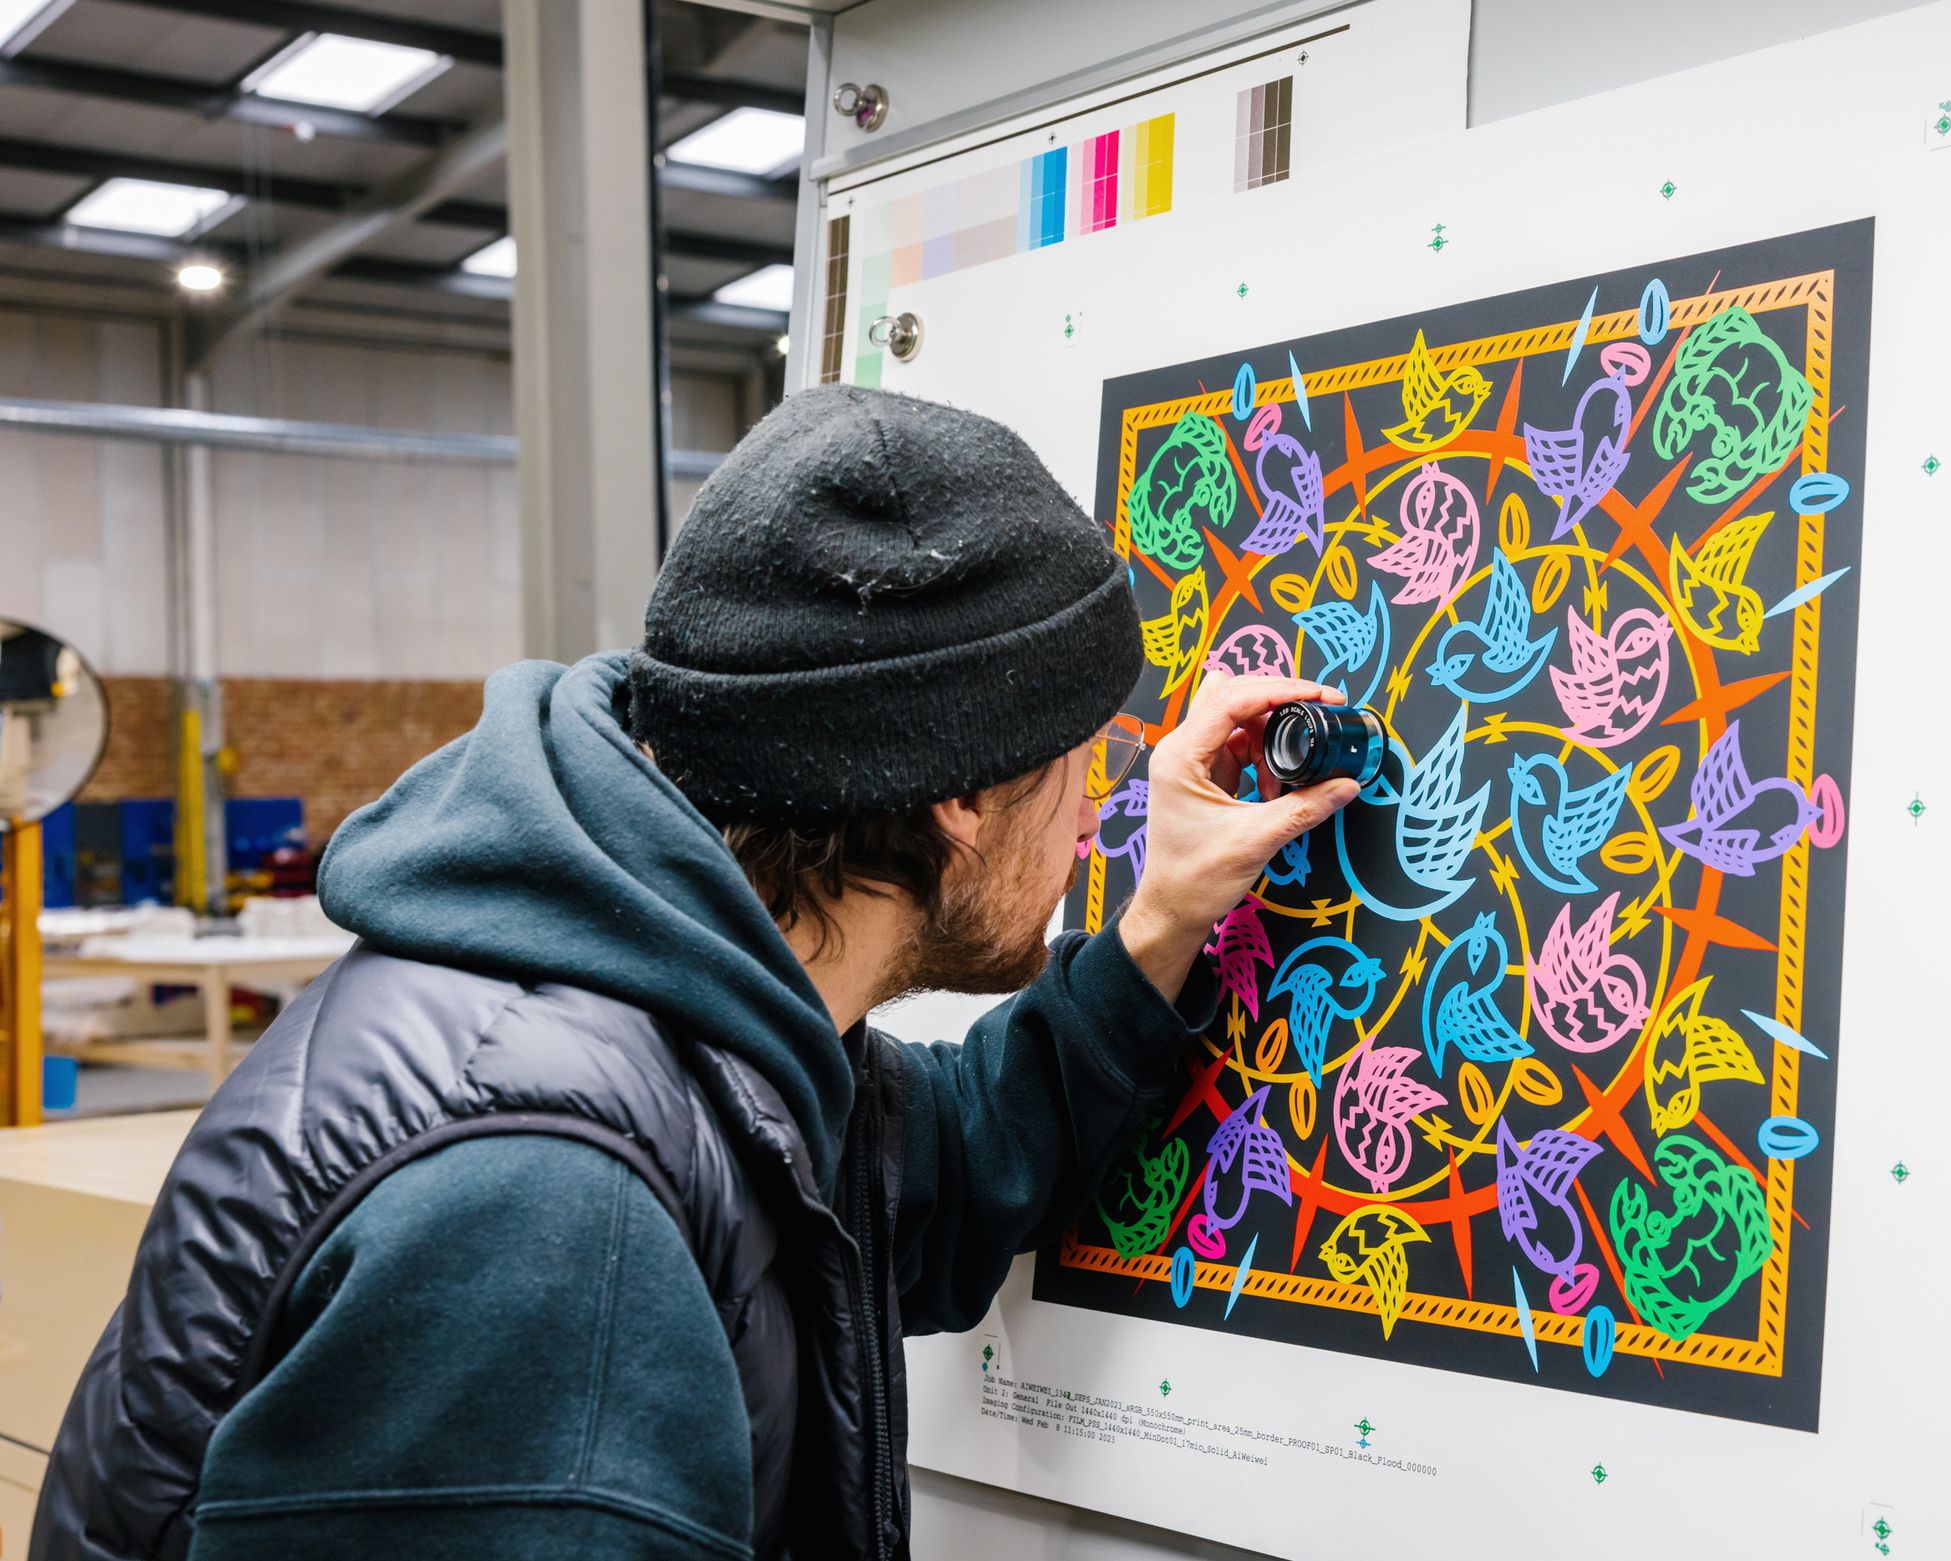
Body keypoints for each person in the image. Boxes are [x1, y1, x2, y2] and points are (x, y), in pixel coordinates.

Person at [31, 386, 1360, 1561]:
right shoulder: (553, 1210)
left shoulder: (677, 1028)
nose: (1097, 815)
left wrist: (1165, 920)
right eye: (1080, 757)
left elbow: (936, 1176)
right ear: (958, 790)